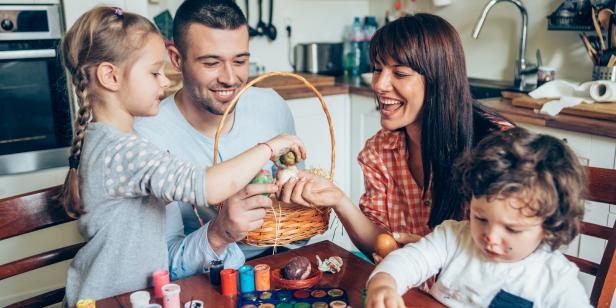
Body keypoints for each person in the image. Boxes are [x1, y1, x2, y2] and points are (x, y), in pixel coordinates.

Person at [59, 7, 305, 305]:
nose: (164, 82)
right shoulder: (127, 149)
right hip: (114, 299)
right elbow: (205, 186)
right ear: (110, 76)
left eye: (240, 60)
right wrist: (269, 147)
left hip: (142, 295)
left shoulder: (118, 142)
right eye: (154, 73)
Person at [279, 13, 514, 261]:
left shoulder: (498, 147)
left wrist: (439, 257)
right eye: (377, 69)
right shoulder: (379, 150)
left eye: (400, 73)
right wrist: (338, 200)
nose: (379, 84)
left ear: (439, 80)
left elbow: (519, 250)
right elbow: (380, 242)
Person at [134, 0, 302, 280]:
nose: (230, 78)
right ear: (176, 59)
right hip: (200, 280)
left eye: (240, 61)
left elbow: (297, 217)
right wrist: (219, 233)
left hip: (277, 266)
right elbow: (164, 266)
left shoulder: (272, 106)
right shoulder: (147, 136)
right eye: (211, 62)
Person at [365, 128, 591, 307]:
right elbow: (409, 261)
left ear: (549, 227)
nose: (490, 237)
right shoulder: (453, 238)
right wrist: (383, 282)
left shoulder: (557, 283)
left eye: (512, 229)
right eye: (481, 219)